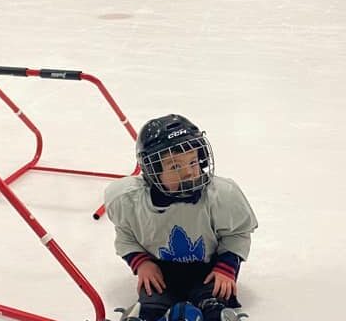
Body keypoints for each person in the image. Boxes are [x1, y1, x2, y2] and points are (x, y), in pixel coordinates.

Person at [105, 114, 258, 321]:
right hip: (161, 272)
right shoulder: (129, 200)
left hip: (209, 270)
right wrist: (141, 263)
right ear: (152, 170)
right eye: (175, 167)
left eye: (193, 162)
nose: (188, 173)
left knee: (213, 304)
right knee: (151, 308)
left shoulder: (221, 195)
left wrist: (226, 267)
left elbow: (237, 233)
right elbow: (126, 236)